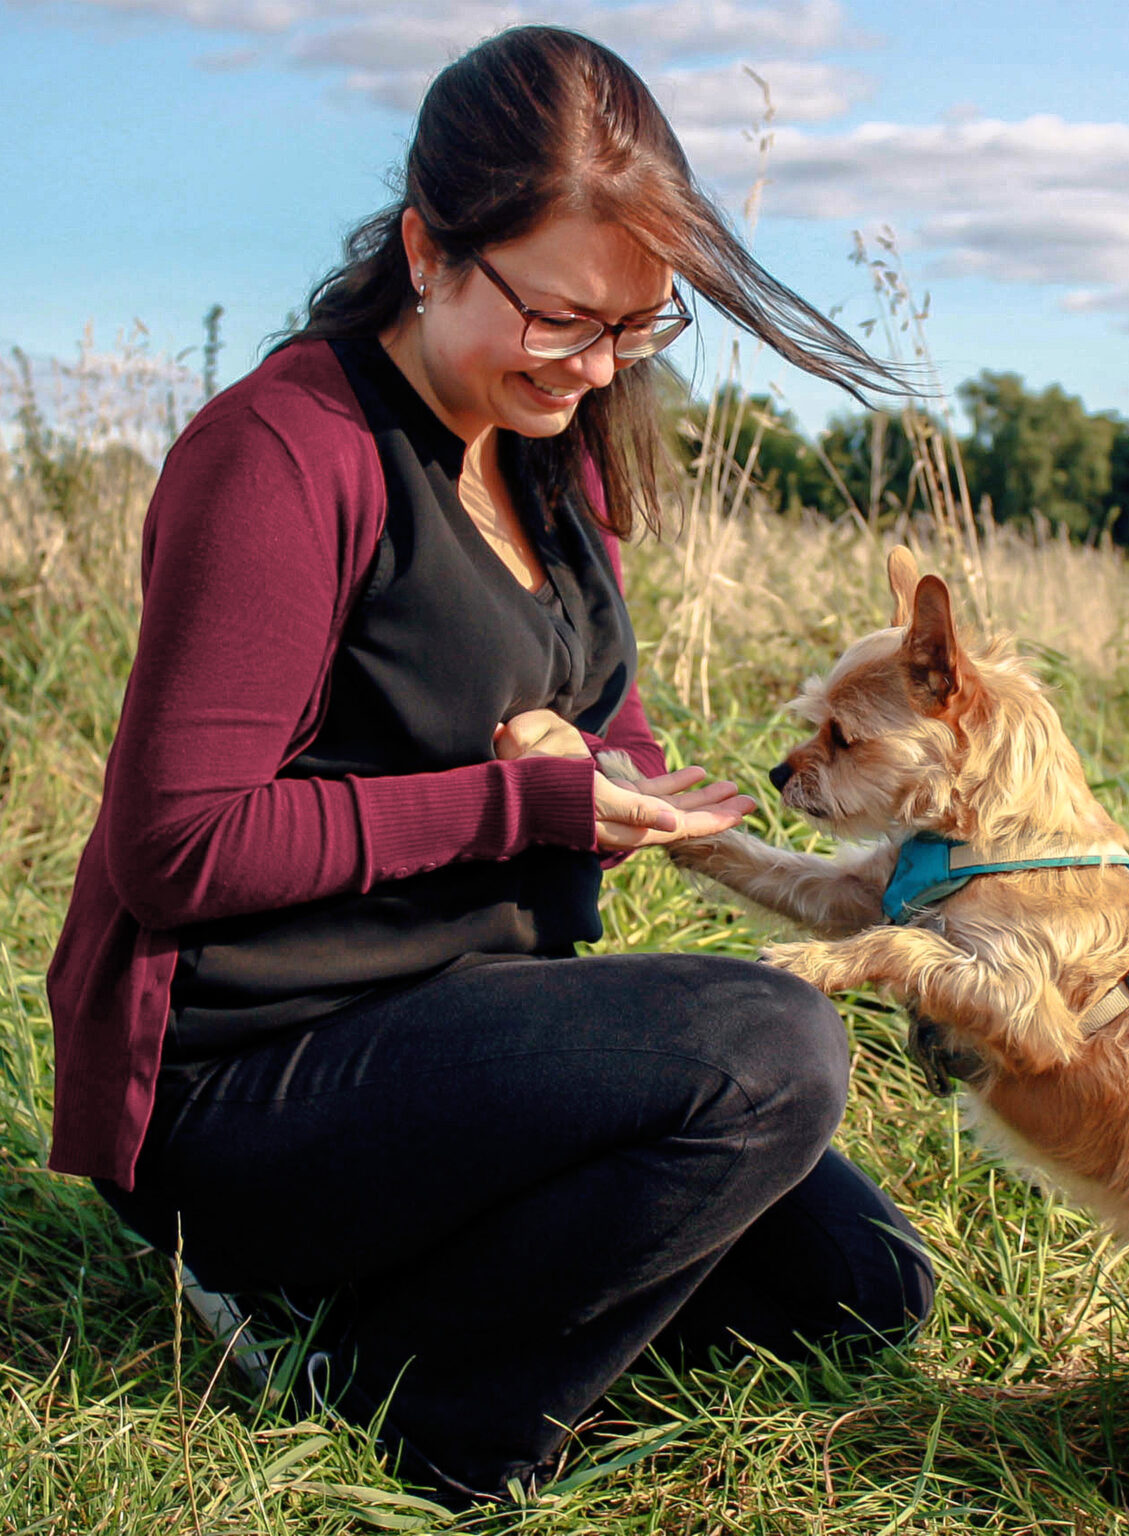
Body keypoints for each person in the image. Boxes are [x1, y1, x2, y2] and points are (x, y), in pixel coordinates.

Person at [46, 24, 933, 1504]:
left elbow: (607, 726)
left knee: (863, 1291)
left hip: (469, 1029)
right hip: (254, 1077)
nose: (594, 370)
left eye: (636, 331)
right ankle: (434, 1426)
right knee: (775, 1050)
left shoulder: (555, 455)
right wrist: (520, 799)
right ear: (426, 250)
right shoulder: (282, 452)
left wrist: (617, 786)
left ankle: (379, 1314)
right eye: (561, 318)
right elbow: (176, 848)